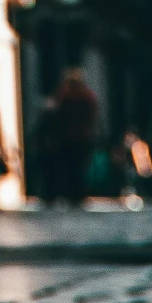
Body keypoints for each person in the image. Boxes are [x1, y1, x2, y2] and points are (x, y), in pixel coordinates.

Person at [52, 66, 100, 204]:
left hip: (67, 137)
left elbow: (58, 115)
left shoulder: (65, 95)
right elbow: (93, 116)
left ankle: (70, 193)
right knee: (81, 166)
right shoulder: (88, 96)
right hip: (84, 137)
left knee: (69, 166)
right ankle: (80, 193)